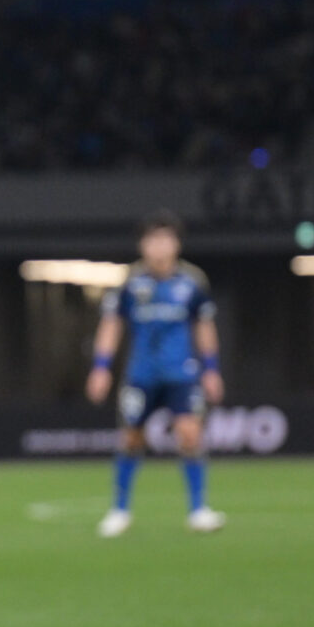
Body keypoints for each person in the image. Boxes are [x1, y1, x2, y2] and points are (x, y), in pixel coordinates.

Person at [86, 211, 225, 537]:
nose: (159, 246)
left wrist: (211, 370)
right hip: (141, 374)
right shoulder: (130, 282)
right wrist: (101, 367)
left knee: (190, 433)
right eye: (153, 240)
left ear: (176, 244)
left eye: (165, 239)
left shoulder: (192, 280)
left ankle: (198, 510)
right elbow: (111, 324)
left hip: (182, 373)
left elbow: (204, 326)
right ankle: (119, 510)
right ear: (142, 245)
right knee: (131, 438)